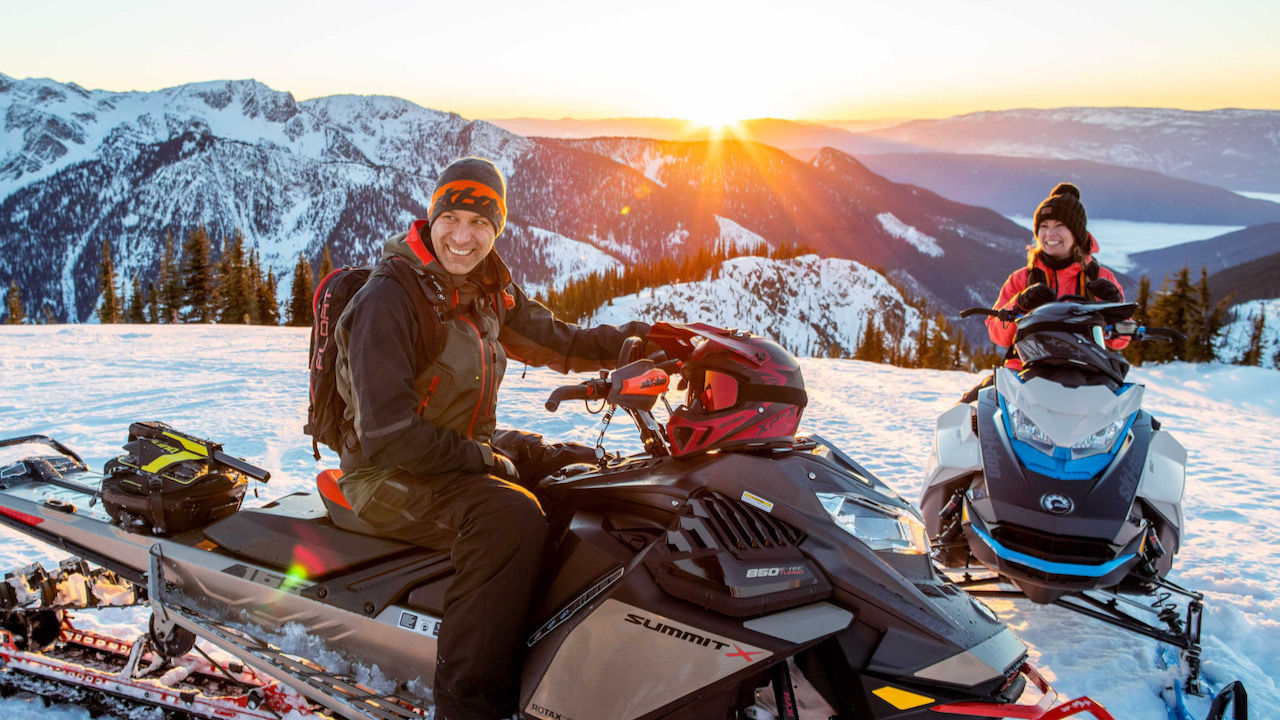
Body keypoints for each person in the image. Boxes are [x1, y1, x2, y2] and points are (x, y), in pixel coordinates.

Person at [332, 156, 650, 720]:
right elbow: (388, 436)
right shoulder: (391, 298)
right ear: (432, 218)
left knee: (581, 472)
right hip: (385, 473)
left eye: (481, 223)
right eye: (452, 217)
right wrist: (485, 460)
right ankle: (469, 705)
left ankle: (553, 652)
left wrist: (640, 342)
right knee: (509, 517)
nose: (464, 235)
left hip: (451, 452)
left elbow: (562, 342)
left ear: (497, 228)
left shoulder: (486, 288)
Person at [961, 183, 1127, 402]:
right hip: (1022, 373)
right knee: (965, 413)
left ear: (1077, 233)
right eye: (1044, 226)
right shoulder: (1022, 279)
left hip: (1088, 375)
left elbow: (1121, 339)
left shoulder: (1100, 277)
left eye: (1060, 225)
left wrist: (1115, 306)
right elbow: (997, 335)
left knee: (1140, 428)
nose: (1050, 233)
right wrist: (1018, 303)